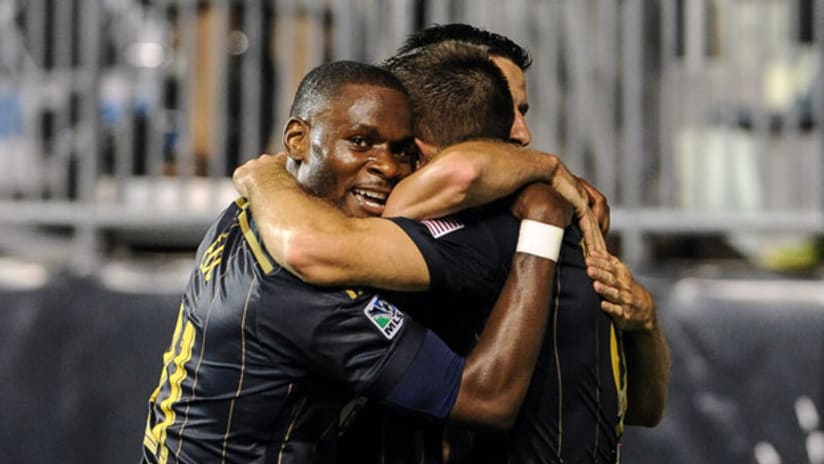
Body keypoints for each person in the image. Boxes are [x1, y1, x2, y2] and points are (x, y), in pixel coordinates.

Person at [233, 26, 670, 463]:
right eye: (507, 112)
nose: (522, 135)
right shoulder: (538, 215)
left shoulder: (518, 223)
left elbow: (311, 246)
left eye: (517, 110)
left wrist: (266, 176)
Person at [142, 60, 570, 464]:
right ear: (297, 140)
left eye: (401, 151)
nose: (385, 165)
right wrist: (542, 227)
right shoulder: (311, 290)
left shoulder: (251, 205)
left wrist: (263, 173)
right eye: (360, 142)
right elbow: (487, 398)